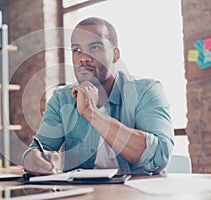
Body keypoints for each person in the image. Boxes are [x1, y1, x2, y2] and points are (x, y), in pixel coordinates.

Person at [23, 17, 174, 175]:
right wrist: (33, 160)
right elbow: (38, 148)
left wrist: (91, 112)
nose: (83, 58)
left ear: (115, 54)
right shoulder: (62, 98)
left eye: (94, 48)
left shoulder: (147, 90)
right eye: (76, 50)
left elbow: (159, 156)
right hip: (81, 194)